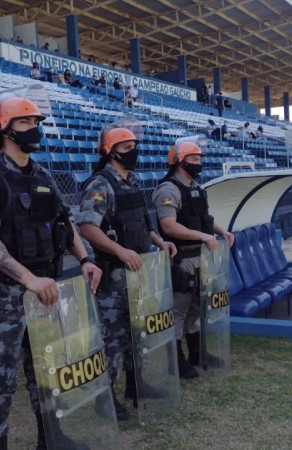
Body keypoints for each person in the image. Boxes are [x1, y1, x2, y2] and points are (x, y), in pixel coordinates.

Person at [0, 96, 102, 450]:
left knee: (47, 371)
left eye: (36, 122)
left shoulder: (42, 175)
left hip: (44, 292)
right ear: (3, 128)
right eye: (24, 123)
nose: (34, 129)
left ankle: (50, 439)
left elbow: (65, 225)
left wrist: (85, 260)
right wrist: (27, 279)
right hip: (4, 296)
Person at [77, 127, 176, 421]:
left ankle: (136, 387)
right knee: (113, 340)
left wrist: (160, 241)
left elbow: (142, 222)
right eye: (125, 146)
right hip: (113, 275)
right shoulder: (100, 184)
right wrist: (119, 251)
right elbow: (87, 227)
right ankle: (104, 399)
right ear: (109, 151)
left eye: (134, 145)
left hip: (138, 272)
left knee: (137, 334)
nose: (133, 150)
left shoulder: (132, 182)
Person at [152, 139, 234, 379]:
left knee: (197, 308)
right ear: (179, 161)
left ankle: (197, 354)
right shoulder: (168, 189)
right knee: (179, 309)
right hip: (182, 259)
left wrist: (222, 232)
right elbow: (168, 226)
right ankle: (175, 362)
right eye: (193, 159)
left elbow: (205, 217)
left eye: (199, 159)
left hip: (201, 257)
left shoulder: (197, 188)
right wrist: (202, 235)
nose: (198, 163)